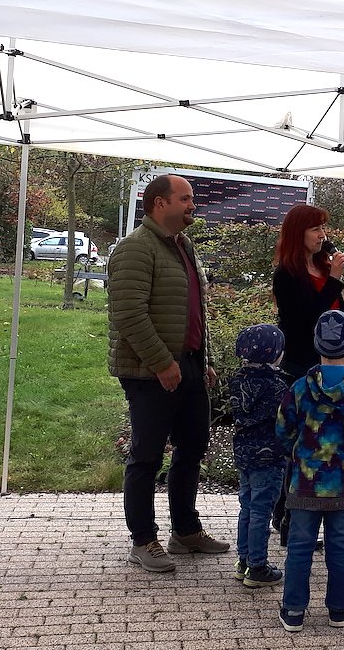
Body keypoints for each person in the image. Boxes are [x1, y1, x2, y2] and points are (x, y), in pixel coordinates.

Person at [107, 173, 229, 573]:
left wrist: (202, 359)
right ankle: (143, 540)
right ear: (160, 203)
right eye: (185, 198)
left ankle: (186, 532)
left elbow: (193, 311)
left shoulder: (183, 245)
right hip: (149, 371)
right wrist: (162, 362)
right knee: (146, 456)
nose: (193, 205)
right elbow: (129, 314)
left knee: (192, 447)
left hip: (188, 364)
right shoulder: (135, 248)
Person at [270, 203, 344, 546]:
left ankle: (285, 514)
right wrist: (333, 279)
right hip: (301, 363)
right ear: (298, 233)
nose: (323, 236)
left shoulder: (319, 265)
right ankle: (290, 524)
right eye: (316, 229)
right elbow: (309, 318)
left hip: (325, 362)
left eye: (323, 229)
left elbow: (335, 306)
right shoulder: (286, 274)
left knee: (320, 440)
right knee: (303, 443)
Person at [277, 310, 344, 632]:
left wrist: (298, 457)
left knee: (299, 548)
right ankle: (338, 611)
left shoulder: (299, 388)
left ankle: (293, 611)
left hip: (304, 484)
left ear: (316, 344)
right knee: (340, 548)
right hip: (343, 485)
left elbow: (282, 431)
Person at [228, 324, 290, 587]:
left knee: (247, 507)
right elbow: (286, 420)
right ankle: (257, 566)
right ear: (273, 353)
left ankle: (243, 560)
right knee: (262, 511)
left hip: (244, 453)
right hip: (269, 456)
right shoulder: (277, 387)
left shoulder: (237, 381)